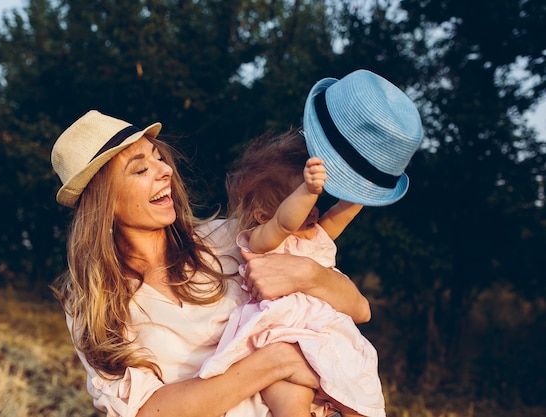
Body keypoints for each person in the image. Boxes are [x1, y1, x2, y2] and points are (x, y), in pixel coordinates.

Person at [50, 109, 372, 417]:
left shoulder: (228, 237)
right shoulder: (92, 304)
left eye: (159, 158)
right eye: (141, 169)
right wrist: (277, 360)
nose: (166, 171)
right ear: (104, 202)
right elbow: (147, 412)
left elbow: (359, 309)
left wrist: (307, 274)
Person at [198, 69, 424, 417]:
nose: (313, 209)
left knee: (359, 390)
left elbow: (343, 213)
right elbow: (286, 220)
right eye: (302, 200)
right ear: (263, 214)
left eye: (315, 201)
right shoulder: (265, 239)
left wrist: (361, 187)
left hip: (326, 336)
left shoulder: (314, 236)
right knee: (291, 401)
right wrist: (307, 190)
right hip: (279, 335)